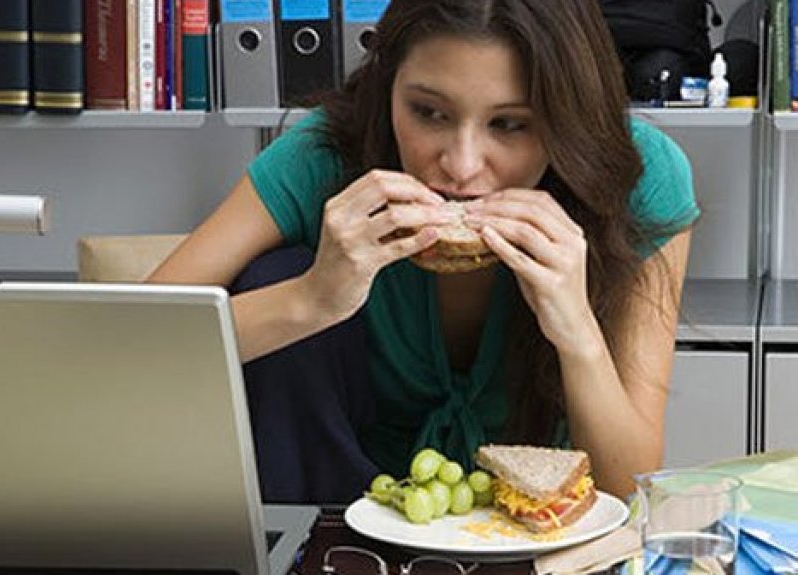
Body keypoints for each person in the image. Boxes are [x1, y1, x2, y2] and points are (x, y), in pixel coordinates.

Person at [149, 0, 698, 503]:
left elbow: (630, 487)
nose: (460, 166)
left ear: (567, 118)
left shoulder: (639, 177)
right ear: (386, 88)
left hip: (535, 530)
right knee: (278, 272)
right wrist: (313, 297)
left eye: (510, 125)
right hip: (335, 523)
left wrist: (576, 328)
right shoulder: (324, 154)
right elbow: (124, 344)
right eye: (428, 113)